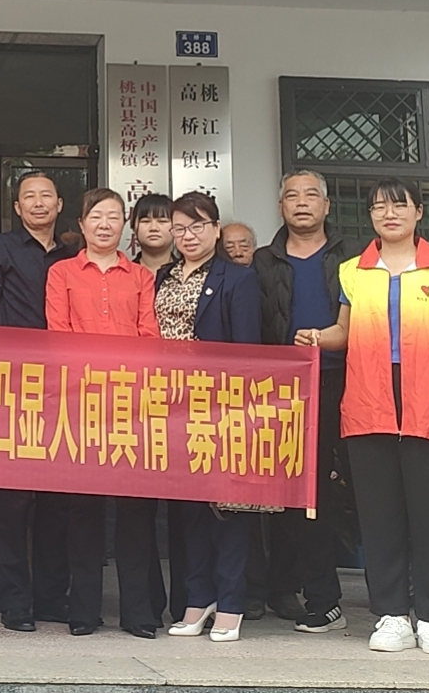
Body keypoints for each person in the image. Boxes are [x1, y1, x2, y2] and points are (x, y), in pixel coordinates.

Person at [299, 179, 429, 656]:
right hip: (369, 399)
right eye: (378, 207)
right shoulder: (353, 271)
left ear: (418, 212)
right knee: (379, 514)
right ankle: (391, 614)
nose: (389, 214)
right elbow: (344, 331)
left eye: (398, 206)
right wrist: (317, 337)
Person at [45, 188, 160, 637]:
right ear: (82, 223)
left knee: (135, 510)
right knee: (84, 511)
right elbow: (59, 334)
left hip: (131, 404)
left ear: (124, 224)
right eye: (96, 216)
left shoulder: (140, 277)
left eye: (114, 216)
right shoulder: (62, 273)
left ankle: (138, 613)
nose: (105, 224)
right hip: (81, 402)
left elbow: (149, 335)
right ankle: (84, 611)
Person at [251, 171, 356, 633]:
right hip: (283, 389)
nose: (301, 202)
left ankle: (334, 596)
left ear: (326, 206)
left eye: (311, 195)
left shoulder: (353, 258)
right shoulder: (263, 261)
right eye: (291, 196)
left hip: (345, 384)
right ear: (280, 207)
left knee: (336, 490)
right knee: (290, 492)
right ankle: (291, 589)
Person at [154, 191, 259, 643]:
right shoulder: (163, 276)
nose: (188, 235)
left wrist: (235, 408)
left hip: (219, 407)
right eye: (180, 228)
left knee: (226, 509)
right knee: (189, 510)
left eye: (197, 226)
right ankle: (198, 598)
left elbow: (247, 351)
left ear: (216, 229)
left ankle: (231, 601)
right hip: (169, 406)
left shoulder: (238, 278)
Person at [0, 171, 78, 633]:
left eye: (46, 196)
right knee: (14, 499)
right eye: (29, 197)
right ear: (17, 208)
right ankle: (14, 599)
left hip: (64, 389)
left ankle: (52, 597)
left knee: (58, 497)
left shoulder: (73, 254)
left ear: (59, 205)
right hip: (13, 385)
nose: (38, 203)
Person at [131, 193, 173, 275]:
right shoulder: (123, 275)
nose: (154, 228)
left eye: (162, 221)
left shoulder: (187, 273)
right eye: (145, 221)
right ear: (134, 230)